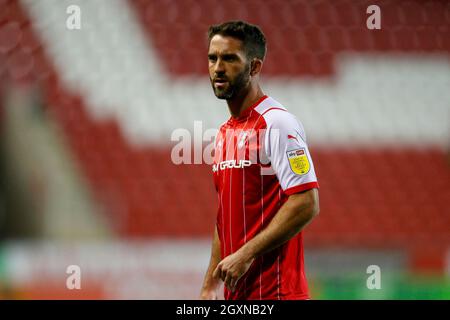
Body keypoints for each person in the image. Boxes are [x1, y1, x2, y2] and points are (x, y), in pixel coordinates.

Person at [200, 20, 320, 300]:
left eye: (229, 58)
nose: (218, 68)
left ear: (254, 67)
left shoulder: (276, 123)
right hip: (238, 296)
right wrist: (210, 284)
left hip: (276, 293)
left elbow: (306, 201)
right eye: (212, 58)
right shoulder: (225, 133)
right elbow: (224, 219)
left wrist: (245, 254)